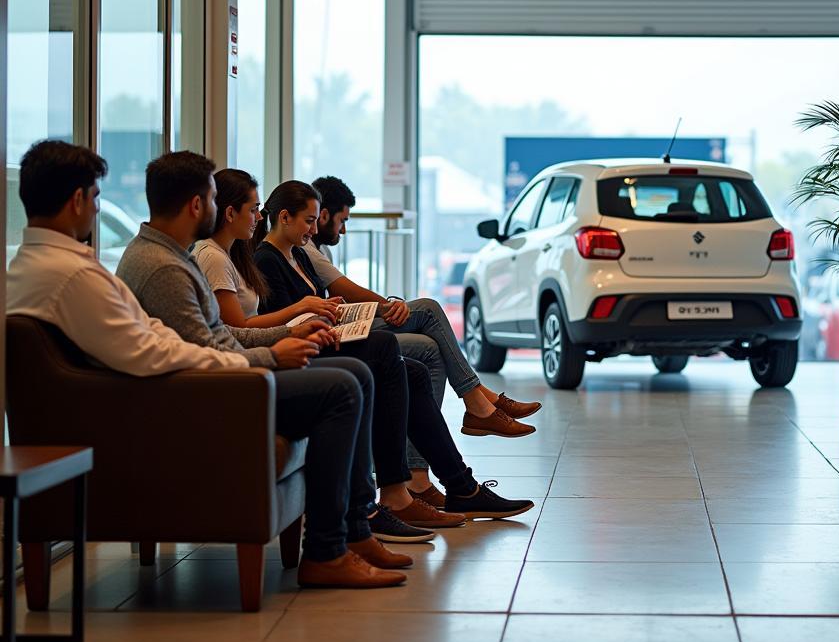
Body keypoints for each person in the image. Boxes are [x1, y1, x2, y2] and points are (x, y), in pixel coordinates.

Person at [6, 140, 403, 590]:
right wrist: (271, 356)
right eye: (96, 198)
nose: (98, 210)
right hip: (193, 401)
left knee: (353, 374)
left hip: (188, 390)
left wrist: (285, 338)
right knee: (345, 384)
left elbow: (163, 336)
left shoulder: (48, 265)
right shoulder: (109, 270)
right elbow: (161, 352)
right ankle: (330, 549)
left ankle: (352, 532)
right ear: (77, 200)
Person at [252, 178, 536, 522]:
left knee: (413, 367)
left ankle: (455, 484)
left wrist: (341, 311)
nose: (314, 229)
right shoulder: (268, 259)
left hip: (329, 333)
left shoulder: (298, 254)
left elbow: (317, 306)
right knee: (405, 336)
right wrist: (327, 312)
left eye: (315, 221)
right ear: (284, 217)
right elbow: (287, 323)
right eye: (309, 221)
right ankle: (440, 477)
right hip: (314, 347)